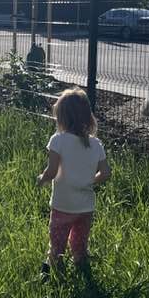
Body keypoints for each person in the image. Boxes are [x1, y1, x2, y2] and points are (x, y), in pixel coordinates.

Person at [36, 89, 111, 276]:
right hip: (86, 207)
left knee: (57, 243)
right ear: (87, 117)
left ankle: (51, 271)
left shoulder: (58, 140)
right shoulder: (96, 144)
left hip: (63, 204)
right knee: (79, 243)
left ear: (62, 117)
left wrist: (42, 178)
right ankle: (81, 268)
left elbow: (52, 171)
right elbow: (106, 173)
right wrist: (89, 181)